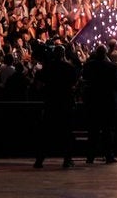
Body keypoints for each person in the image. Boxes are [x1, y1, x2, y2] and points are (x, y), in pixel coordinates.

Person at [32, 41, 80, 169]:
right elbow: (74, 85)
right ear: (63, 54)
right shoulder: (69, 68)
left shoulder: (48, 67)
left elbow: (38, 84)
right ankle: (67, 160)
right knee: (67, 133)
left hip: (51, 102)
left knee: (46, 132)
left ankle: (39, 160)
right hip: (66, 103)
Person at [81, 43, 117, 164]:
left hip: (93, 102)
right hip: (107, 102)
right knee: (107, 131)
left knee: (93, 131)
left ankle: (90, 156)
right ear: (105, 54)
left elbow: (84, 80)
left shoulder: (88, 66)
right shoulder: (111, 67)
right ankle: (108, 155)